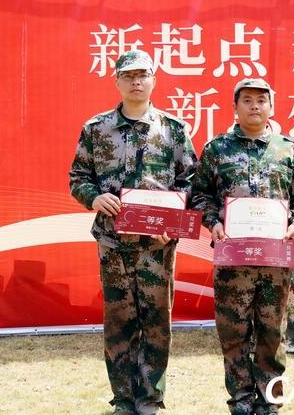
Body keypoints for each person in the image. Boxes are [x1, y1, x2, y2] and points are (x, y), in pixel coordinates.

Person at [68, 50, 197, 415]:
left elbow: (191, 181)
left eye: (143, 75)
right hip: (113, 242)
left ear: (154, 80)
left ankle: (150, 397)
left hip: (157, 245)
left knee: (156, 320)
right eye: (128, 76)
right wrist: (94, 197)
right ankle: (124, 398)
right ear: (117, 81)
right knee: (119, 321)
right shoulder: (96, 129)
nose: (136, 82)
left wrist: (172, 223)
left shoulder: (173, 129)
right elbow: (78, 177)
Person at [191, 78, 294, 415]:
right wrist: (213, 222)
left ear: (271, 106)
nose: (255, 105)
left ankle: (269, 401)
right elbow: (200, 194)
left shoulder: (288, 149)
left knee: (272, 332)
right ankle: (241, 400)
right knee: (234, 332)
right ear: (236, 106)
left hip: (275, 258)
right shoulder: (217, 149)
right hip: (233, 259)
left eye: (261, 100)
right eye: (247, 100)